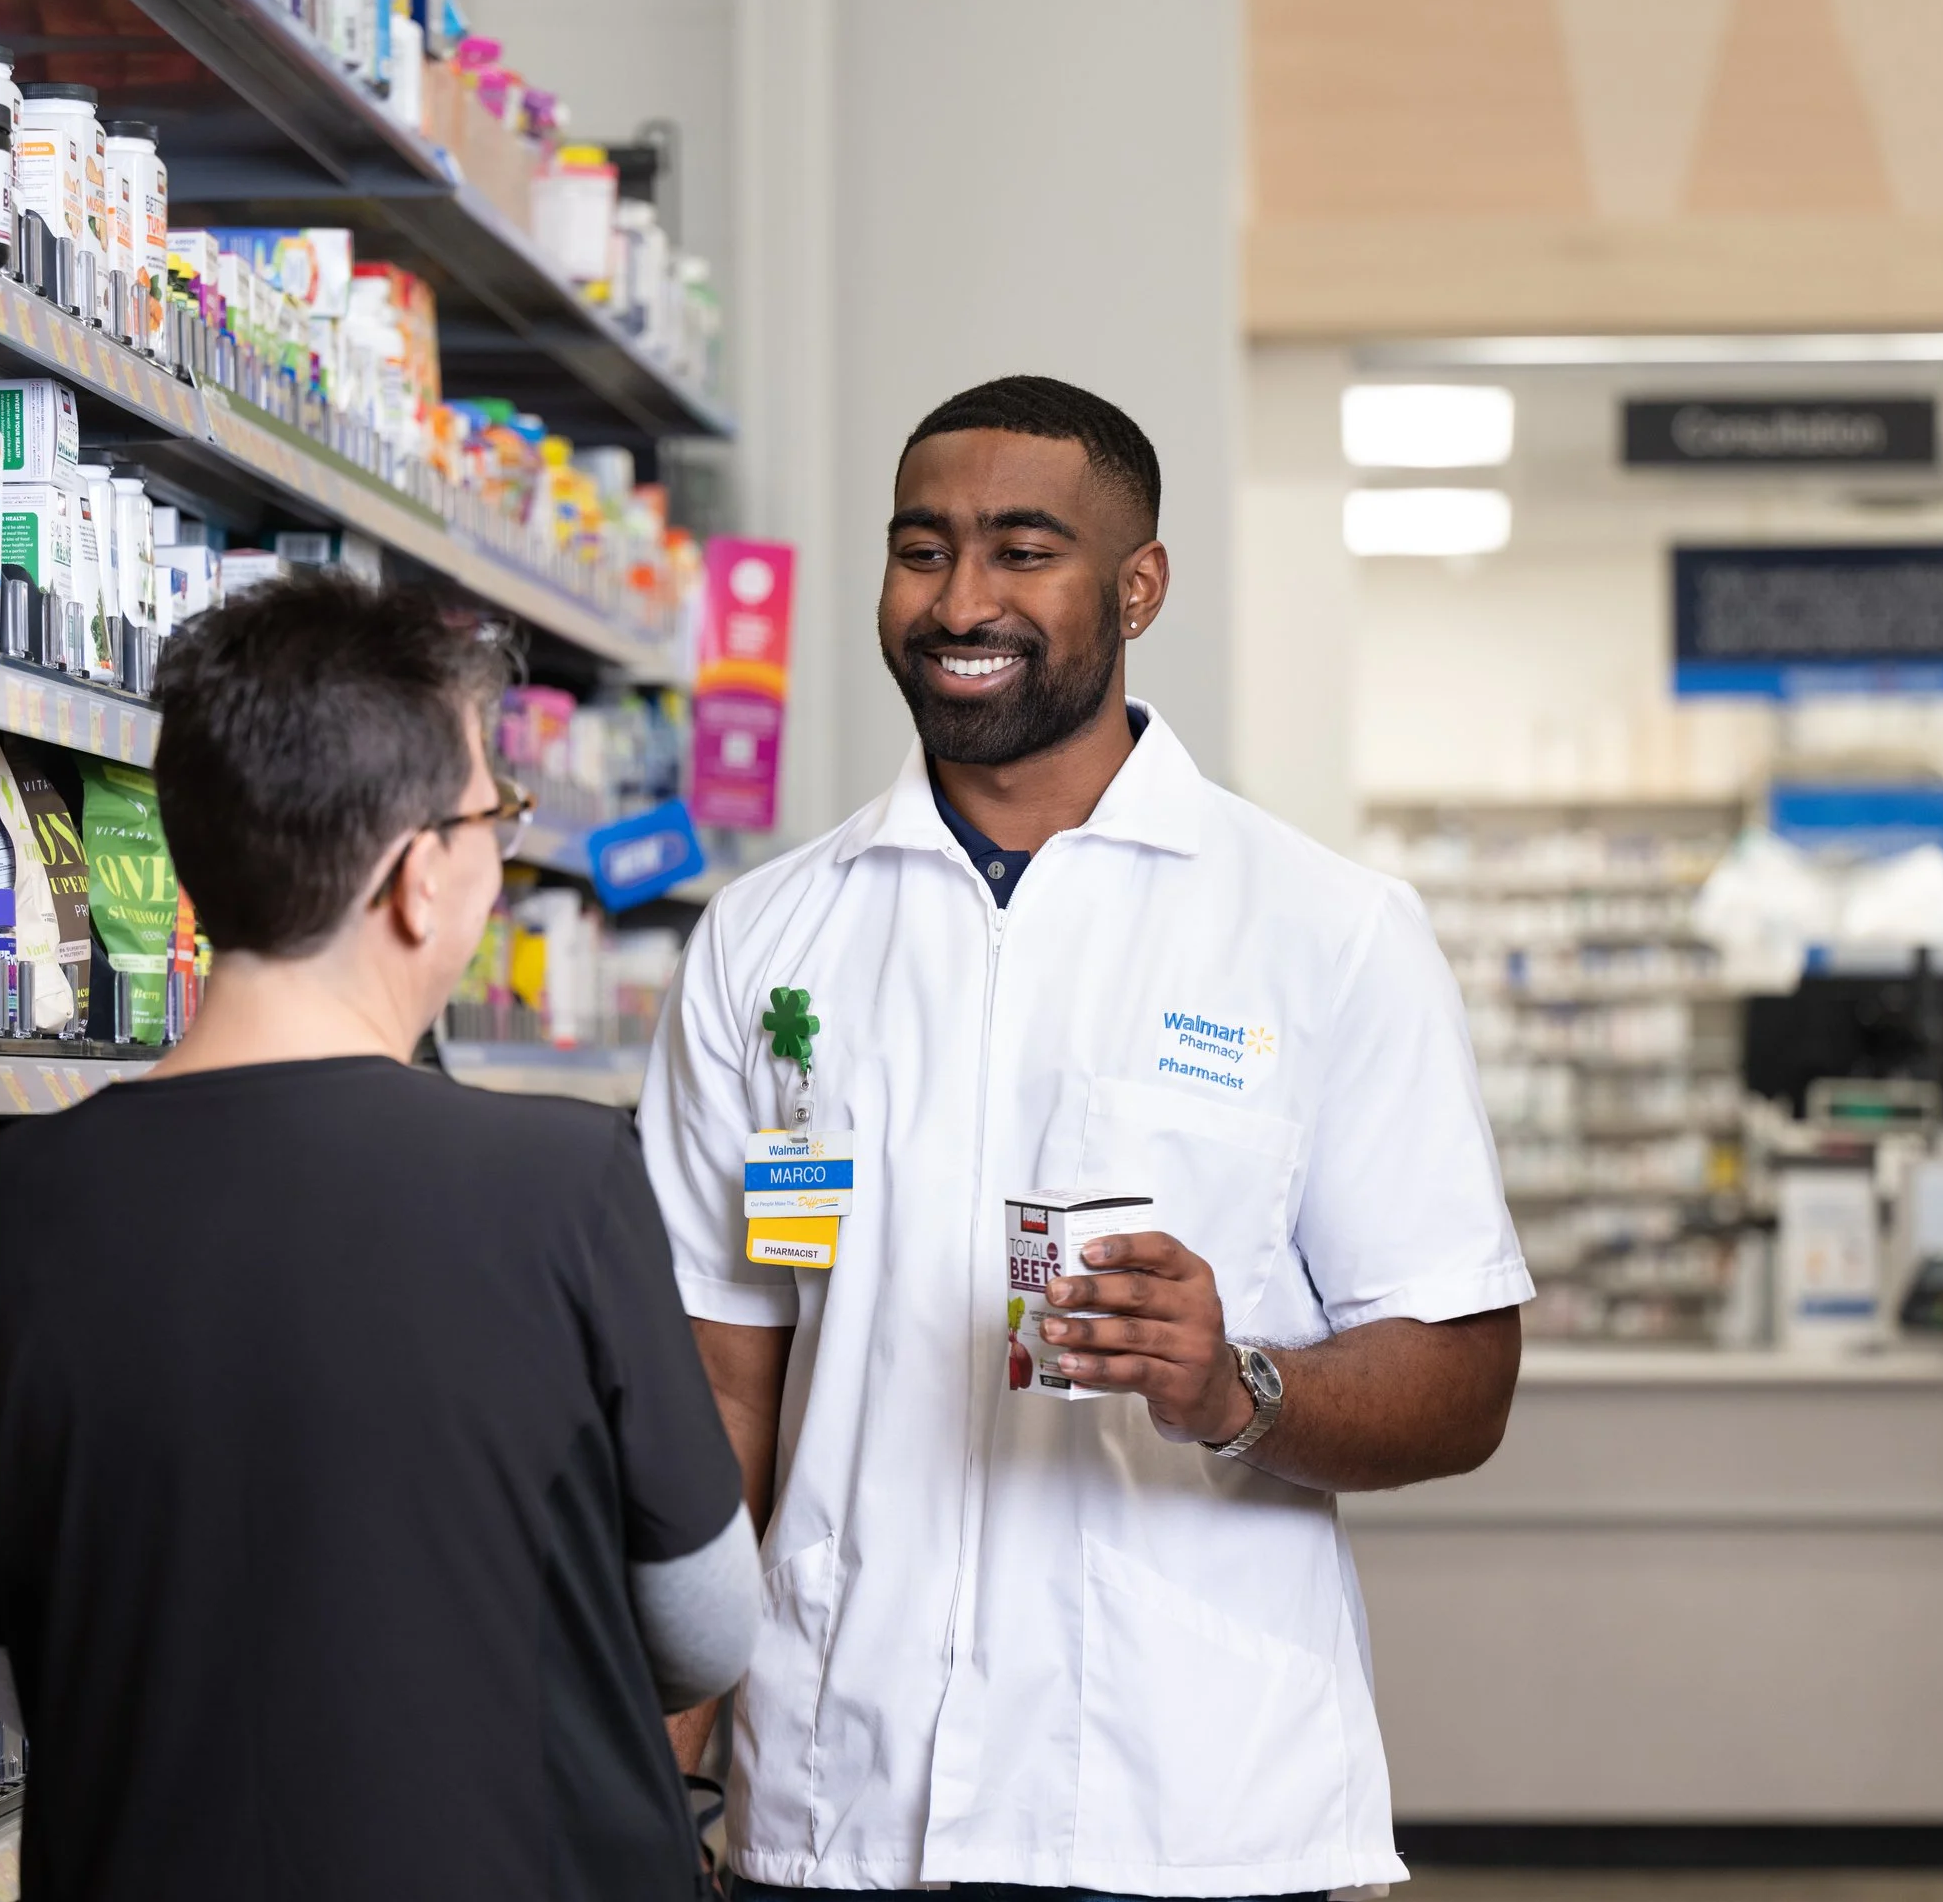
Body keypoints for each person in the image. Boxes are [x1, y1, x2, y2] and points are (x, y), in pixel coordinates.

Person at [640, 375, 1532, 1900]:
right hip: (840, 1803)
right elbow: (729, 1391)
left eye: (1021, 549)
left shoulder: (1322, 933)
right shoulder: (769, 940)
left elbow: (1463, 1377)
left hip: (1190, 1808)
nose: (960, 597)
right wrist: (663, 1752)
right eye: (922, 549)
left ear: (1138, 587)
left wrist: (1232, 1383)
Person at [0, 577, 758, 1901]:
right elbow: (710, 1624)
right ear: (420, 877)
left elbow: (11, 1659)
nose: (501, 850)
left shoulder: (11, 1202)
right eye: (499, 815)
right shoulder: (558, 1180)